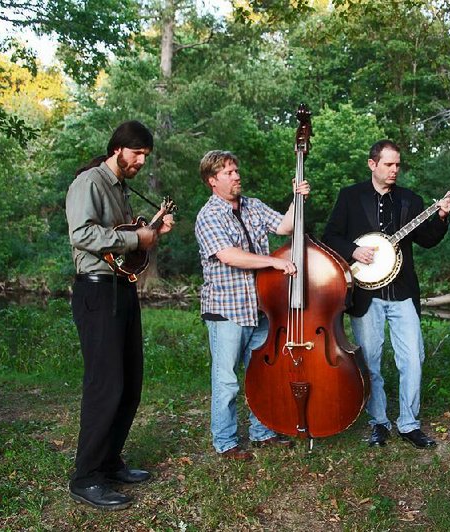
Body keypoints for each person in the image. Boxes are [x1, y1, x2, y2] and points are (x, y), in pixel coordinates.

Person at [65, 120, 174, 509]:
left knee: (129, 384)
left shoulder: (122, 189)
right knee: (105, 386)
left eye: (145, 155)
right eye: (138, 153)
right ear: (118, 149)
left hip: (121, 289)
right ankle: (86, 477)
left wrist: (151, 234)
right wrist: (135, 237)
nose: (142, 161)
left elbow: (126, 246)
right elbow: (82, 234)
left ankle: (110, 463)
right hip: (95, 291)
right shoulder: (89, 183)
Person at [322, 139, 450, 449]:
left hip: (402, 291)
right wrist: (354, 251)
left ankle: (409, 423)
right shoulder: (350, 197)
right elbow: (330, 236)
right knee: (370, 360)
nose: (394, 170)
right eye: (388, 164)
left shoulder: (410, 200)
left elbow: (428, 239)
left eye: (397, 165)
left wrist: (443, 217)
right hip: (365, 292)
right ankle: (378, 421)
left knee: (413, 358)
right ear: (372, 165)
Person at [194, 150, 309, 460]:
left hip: (259, 309)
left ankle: (262, 432)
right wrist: (273, 262)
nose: (236, 176)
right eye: (228, 172)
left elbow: (285, 227)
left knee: (261, 376)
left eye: (236, 170)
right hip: (227, 311)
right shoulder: (208, 216)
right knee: (227, 380)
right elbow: (229, 255)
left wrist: (296, 197)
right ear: (212, 181)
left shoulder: (253, 206)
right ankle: (226, 442)